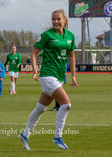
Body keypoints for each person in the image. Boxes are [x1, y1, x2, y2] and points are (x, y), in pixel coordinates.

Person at [19, 9, 79, 151]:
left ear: (64, 20)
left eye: (58, 19)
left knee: (40, 108)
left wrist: (73, 76)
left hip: (58, 77)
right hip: (47, 75)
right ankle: (58, 137)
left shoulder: (70, 36)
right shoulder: (47, 35)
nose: (56, 22)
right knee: (66, 105)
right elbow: (34, 53)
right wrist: (34, 70)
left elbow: (71, 56)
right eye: (53, 19)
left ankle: (25, 135)